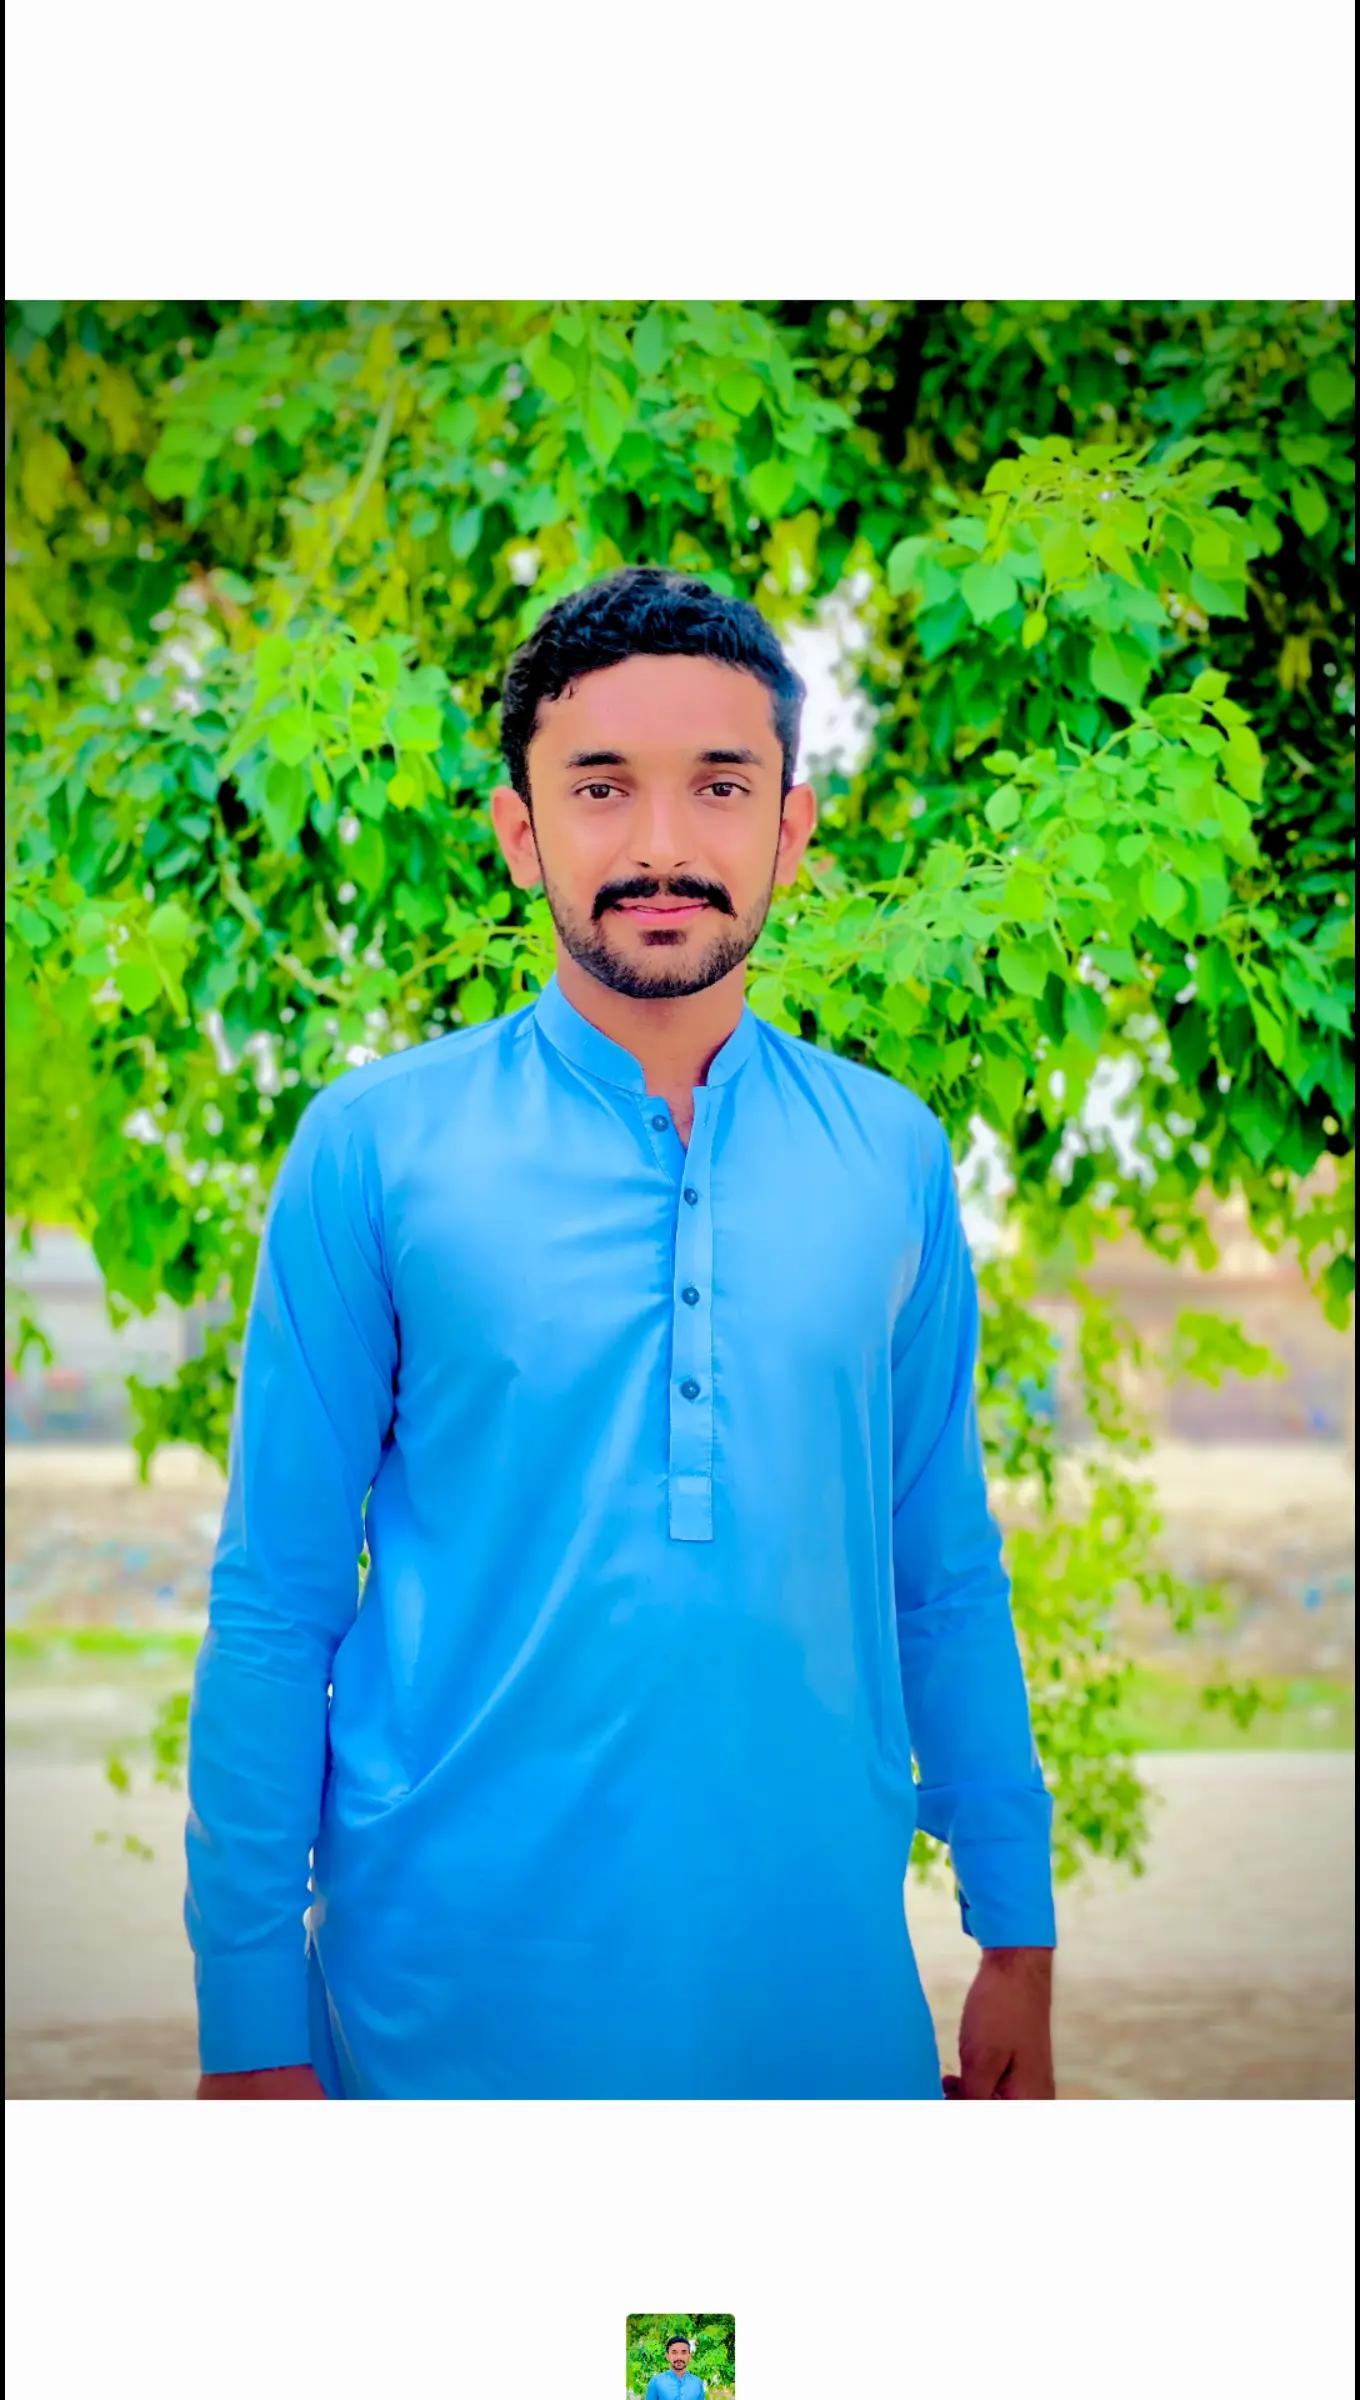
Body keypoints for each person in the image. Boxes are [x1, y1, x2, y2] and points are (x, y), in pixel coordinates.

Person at [186, 564, 1057, 2101]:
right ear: (522, 831)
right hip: (434, 2024)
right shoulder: (375, 1149)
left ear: (791, 826)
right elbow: (277, 1602)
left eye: (720, 786)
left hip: (822, 2008)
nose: (662, 845)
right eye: (601, 788)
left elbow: (940, 1568)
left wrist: (1018, 1928)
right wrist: (249, 2025)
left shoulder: (890, 1156)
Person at [645, 2335, 705, 2399]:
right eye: (674, 2352)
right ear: (667, 2356)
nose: (679, 2357)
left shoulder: (697, 2383)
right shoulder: (656, 2382)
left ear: (689, 2356)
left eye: (683, 2353)